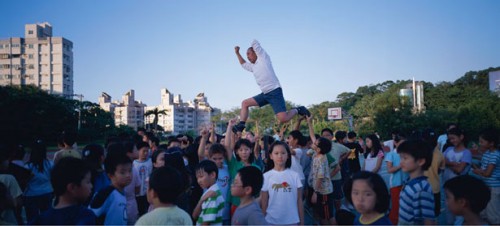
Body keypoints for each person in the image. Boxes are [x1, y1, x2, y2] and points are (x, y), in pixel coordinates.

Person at [232, 39, 310, 133]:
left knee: (283, 118)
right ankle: (241, 125)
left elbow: (255, 43)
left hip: (274, 91)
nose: (247, 57)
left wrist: (251, 38)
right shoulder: (253, 67)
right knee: (245, 103)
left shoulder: (263, 58)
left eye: (249, 53)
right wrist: (237, 53)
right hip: (265, 94)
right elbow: (243, 64)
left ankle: (298, 109)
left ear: (256, 52)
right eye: (246, 55)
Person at [31, 157, 96, 225]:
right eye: (88, 182)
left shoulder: (40, 219)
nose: (91, 186)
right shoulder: (85, 216)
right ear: (72, 187)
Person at [261, 141, 304, 225]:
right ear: (271, 156)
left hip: (292, 220)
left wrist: (302, 222)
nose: (280, 156)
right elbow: (264, 200)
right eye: (276, 153)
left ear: (288, 155)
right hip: (271, 221)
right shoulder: (266, 176)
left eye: (283, 153)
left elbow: (299, 200)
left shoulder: (295, 176)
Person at [398, 140, 435, 225]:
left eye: (405, 158)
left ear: (421, 161)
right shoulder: (409, 182)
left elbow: (429, 221)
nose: (401, 161)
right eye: (401, 158)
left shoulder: (421, 189)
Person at [306, 116, 335, 225]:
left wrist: (315, 192)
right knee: (323, 215)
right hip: (321, 191)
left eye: (315, 143)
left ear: (318, 148)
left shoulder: (320, 160)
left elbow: (320, 177)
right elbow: (312, 136)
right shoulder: (317, 153)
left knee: (328, 216)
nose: (312, 143)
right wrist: (309, 123)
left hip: (323, 192)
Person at [89, 153, 132, 225]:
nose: (128, 175)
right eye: (122, 172)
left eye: (130, 170)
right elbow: (89, 217)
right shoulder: (105, 194)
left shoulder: (122, 192)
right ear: (110, 175)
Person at [443, 128, 472, 224]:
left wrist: (448, 163)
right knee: (448, 209)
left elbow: (460, 170)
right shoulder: (448, 149)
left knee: (459, 211)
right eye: (450, 139)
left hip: (459, 187)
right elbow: (441, 162)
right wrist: (455, 164)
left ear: (461, 137)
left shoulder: (466, 152)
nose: (451, 141)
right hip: (447, 186)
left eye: (453, 138)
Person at [472, 128, 500, 225]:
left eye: (482, 142)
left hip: (493, 188)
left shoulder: (495, 155)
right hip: (486, 186)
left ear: (491, 143)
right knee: (483, 213)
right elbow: (483, 164)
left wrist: (477, 171)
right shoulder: (488, 153)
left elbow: (488, 173)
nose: (480, 144)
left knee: (493, 215)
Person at [23, 140, 54, 222]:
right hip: (46, 192)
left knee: (32, 220)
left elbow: (24, 182)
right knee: (47, 219)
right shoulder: (50, 164)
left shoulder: (27, 166)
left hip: (31, 194)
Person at [385, 134, 408, 225]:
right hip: (396, 184)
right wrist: (400, 166)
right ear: (395, 143)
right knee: (396, 208)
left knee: (406, 207)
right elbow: (389, 170)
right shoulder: (391, 154)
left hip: (407, 183)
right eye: (402, 143)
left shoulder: (407, 154)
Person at [192, 160, 225, 226]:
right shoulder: (208, 193)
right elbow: (194, 216)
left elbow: (206, 222)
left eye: (201, 176)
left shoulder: (212, 195)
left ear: (213, 175)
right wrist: (201, 200)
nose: (199, 181)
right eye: (197, 178)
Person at [422, 128, 445, 218]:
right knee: (434, 215)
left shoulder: (418, 153)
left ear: (423, 140)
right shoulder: (440, 154)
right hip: (435, 188)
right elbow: (440, 170)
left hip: (421, 189)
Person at [133, 141, 153, 217]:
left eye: (147, 151)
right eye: (143, 151)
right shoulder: (134, 163)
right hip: (138, 192)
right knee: (140, 210)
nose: (146, 153)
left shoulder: (150, 161)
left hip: (147, 191)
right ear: (138, 151)